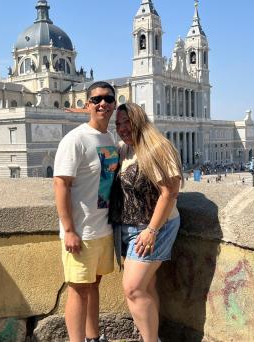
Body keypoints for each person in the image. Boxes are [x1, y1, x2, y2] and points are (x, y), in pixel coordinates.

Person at [109, 103, 183, 342]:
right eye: (118, 124)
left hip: (155, 228)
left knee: (133, 288)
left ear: (139, 120)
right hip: (131, 227)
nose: (121, 128)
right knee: (147, 288)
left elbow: (170, 192)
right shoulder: (125, 149)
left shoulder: (158, 146)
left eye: (126, 122)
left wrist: (152, 230)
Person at [53, 81, 118, 342]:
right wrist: (69, 230)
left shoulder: (110, 138)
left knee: (94, 285)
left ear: (114, 104)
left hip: (103, 228)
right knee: (78, 290)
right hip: (82, 231)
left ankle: (93, 337)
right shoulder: (75, 139)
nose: (103, 103)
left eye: (108, 99)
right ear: (87, 104)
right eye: (97, 99)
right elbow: (60, 183)